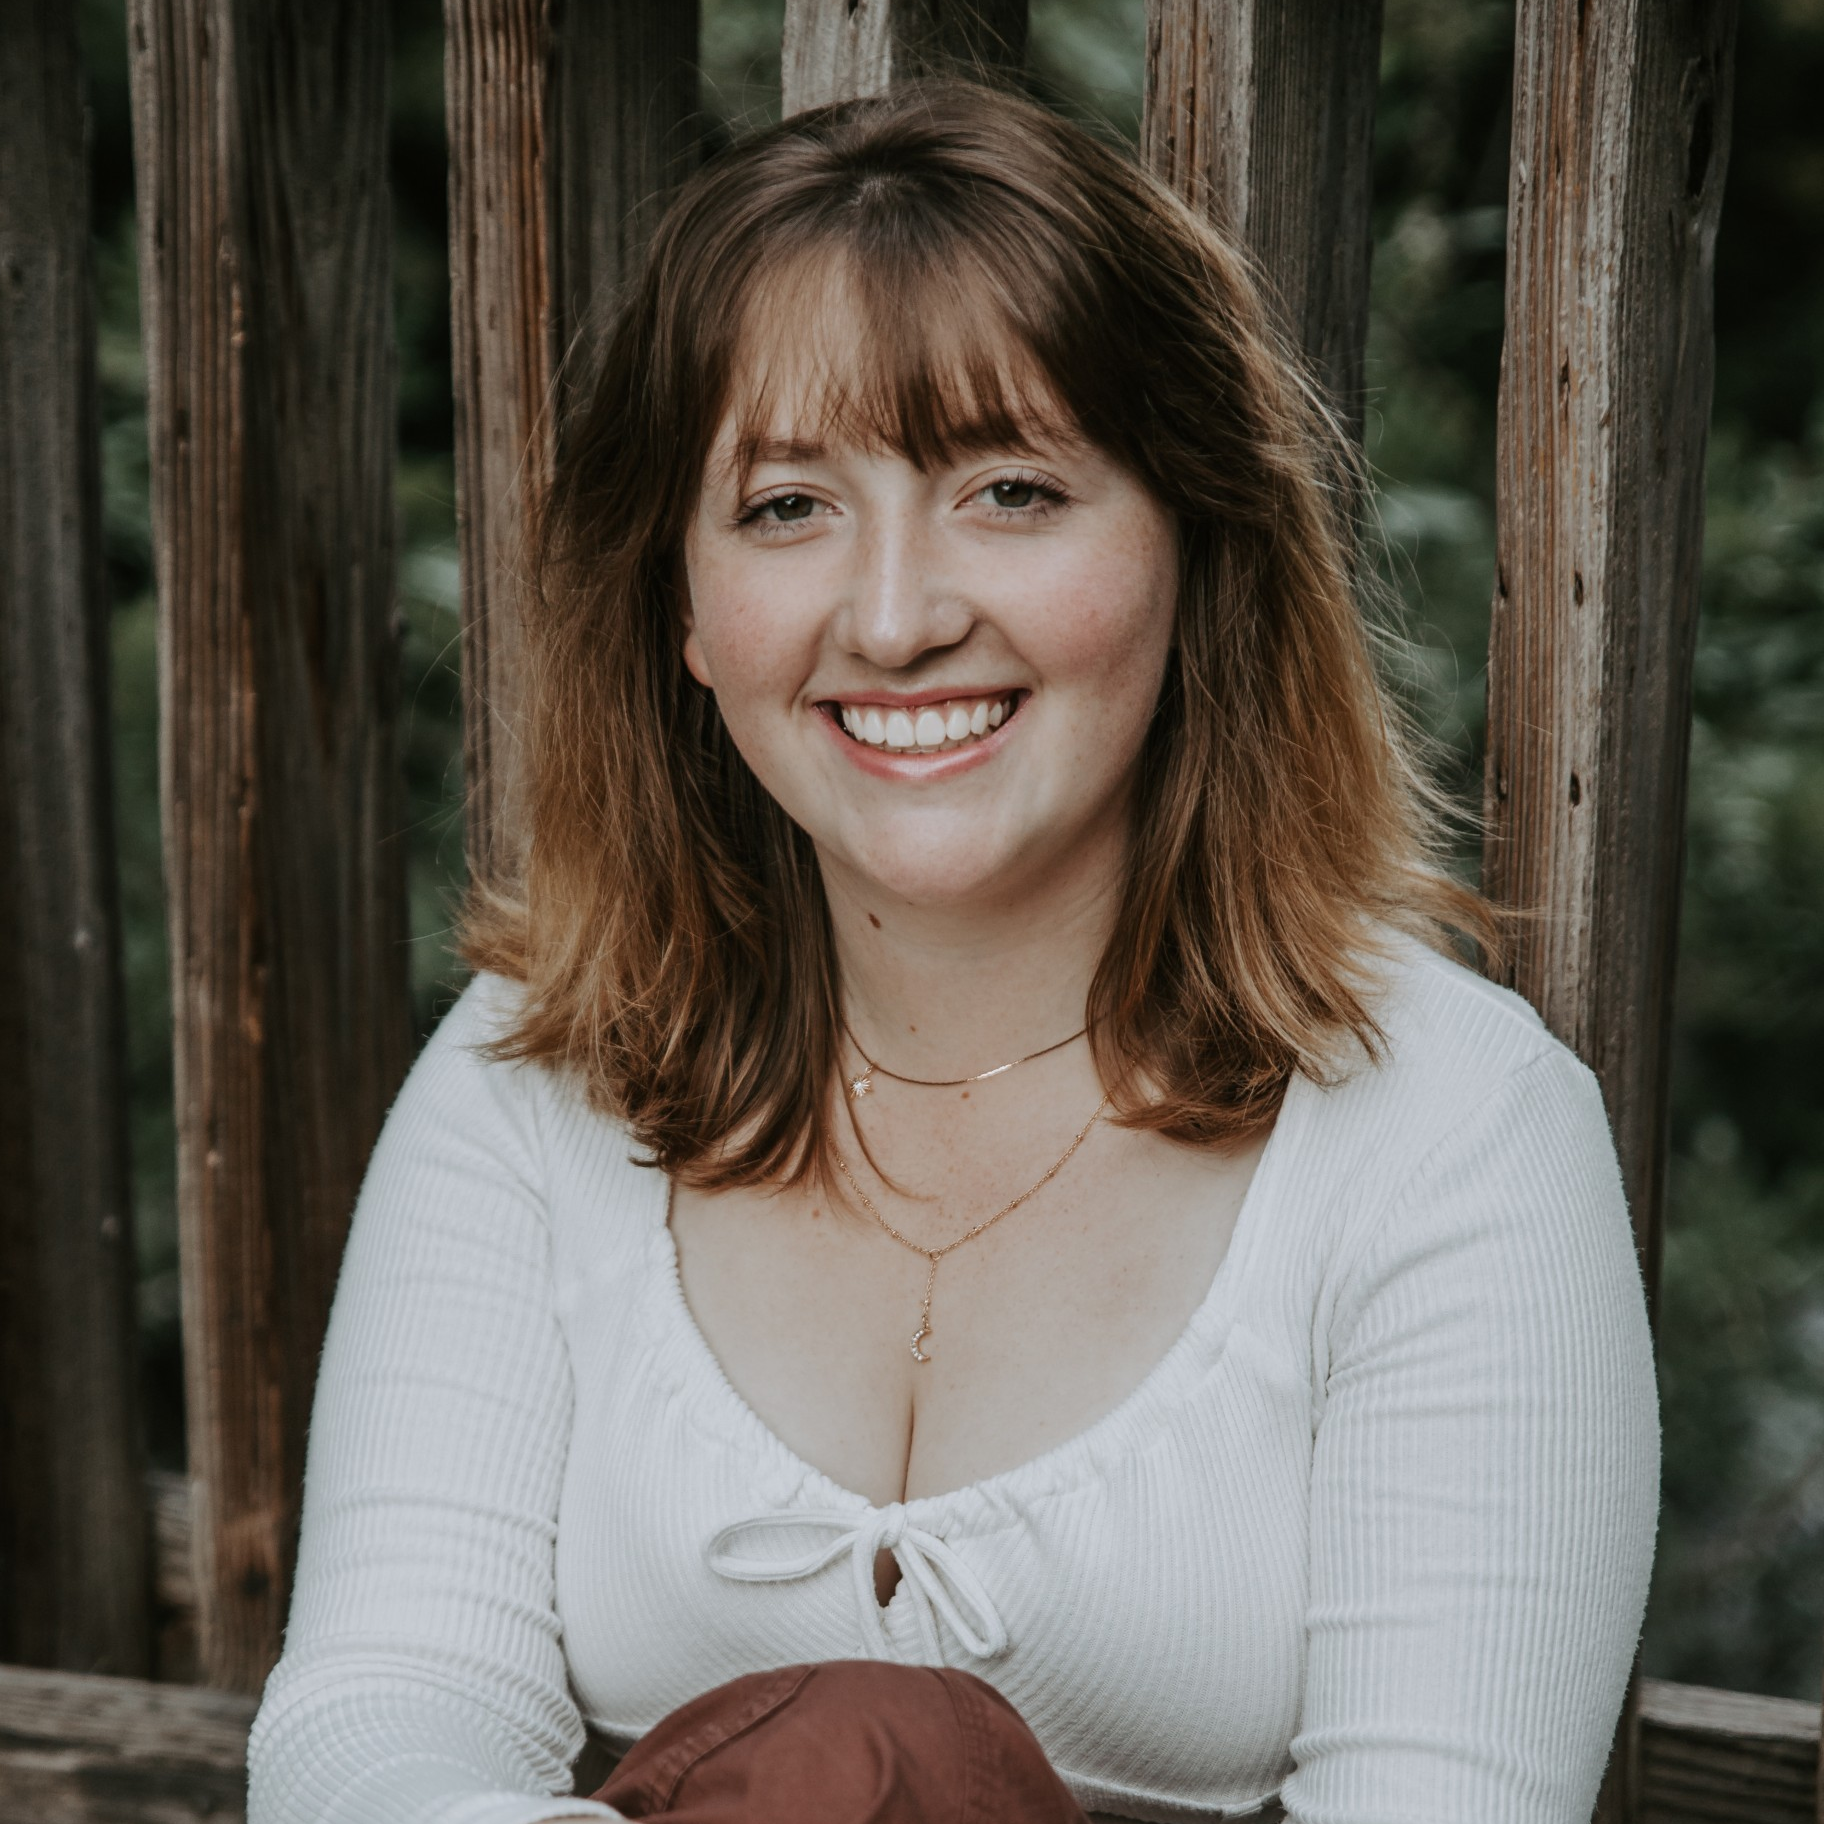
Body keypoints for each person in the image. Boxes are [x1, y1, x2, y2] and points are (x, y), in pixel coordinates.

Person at [247, 79, 1658, 1824]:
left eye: (1009, 489)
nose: (900, 617)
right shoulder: (538, 1067)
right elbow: (376, 1718)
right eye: (785, 507)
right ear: (682, 609)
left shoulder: (1451, 1132)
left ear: (1192, 540)